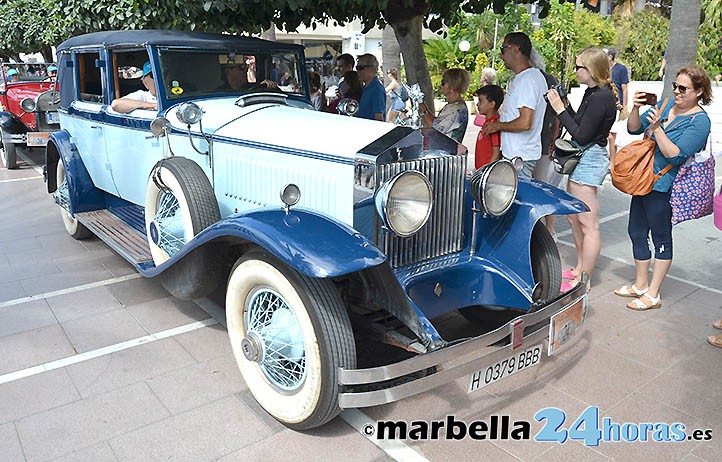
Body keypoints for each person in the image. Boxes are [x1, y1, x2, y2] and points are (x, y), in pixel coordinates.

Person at [615, 66, 712, 310]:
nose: (677, 92)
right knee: (636, 231)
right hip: (642, 179)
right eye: (675, 86)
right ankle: (640, 284)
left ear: (699, 91)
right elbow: (633, 128)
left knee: (661, 237)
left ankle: (654, 293)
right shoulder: (666, 104)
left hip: (665, 186)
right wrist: (636, 108)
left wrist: (658, 128)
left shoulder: (700, 121)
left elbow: (676, 156)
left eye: (683, 88)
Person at [546, 47, 620, 293]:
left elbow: (582, 135)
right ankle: (579, 269)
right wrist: (565, 105)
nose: (575, 71)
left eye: (579, 67)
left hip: (590, 160)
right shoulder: (593, 92)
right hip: (583, 159)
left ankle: (584, 280)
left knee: (588, 223)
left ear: (592, 70)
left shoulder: (602, 97)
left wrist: (559, 109)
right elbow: (579, 122)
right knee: (573, 217)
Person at [484, 32, 548, 177]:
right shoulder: (526, 77)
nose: (501, 56)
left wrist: (497, 126)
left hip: (520, 159)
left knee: (516, 198)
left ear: (515, 49)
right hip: (517, 156)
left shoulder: (528, 80)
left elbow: (525, 122)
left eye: (503, 49)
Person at [530, 48, 564, 240]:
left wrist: (553, 139)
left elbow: (559, 111)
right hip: (542, 143)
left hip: (542, 143)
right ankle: (545, 230)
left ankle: (546, 231)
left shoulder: (546, 80)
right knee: (541, 187)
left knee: (541, 188)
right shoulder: (548, 79)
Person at [418, 68, 471, 143]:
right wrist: (425, 109)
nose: (441, 86)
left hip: (447, 150)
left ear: (452, 86)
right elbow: (438, 121)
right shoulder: (455, 106)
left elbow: (435, 129)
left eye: (443, 83)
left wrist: (423, 111)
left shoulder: (454, 109)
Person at [603, 46, 629, 159]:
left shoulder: (621, 69)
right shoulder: (602, 69)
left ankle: (612, 161)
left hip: (617, 105)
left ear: (610, 56)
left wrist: (624, 106)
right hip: (604, 104)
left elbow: (625, 88)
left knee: (612, 135)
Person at [473, 85, 503, 168]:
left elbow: (496, 152)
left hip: (486, 172)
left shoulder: (493, 126)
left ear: (492, 104)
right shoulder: (488, 123)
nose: (477, 104)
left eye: (481, 101)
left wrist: (487, 171)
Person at [356, 54, 386, 121]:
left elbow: (379, 118)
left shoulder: (377, 90)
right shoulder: (365, 88)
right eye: (356, 68)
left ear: (372, 69)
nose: (357, 71)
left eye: (360, 68)